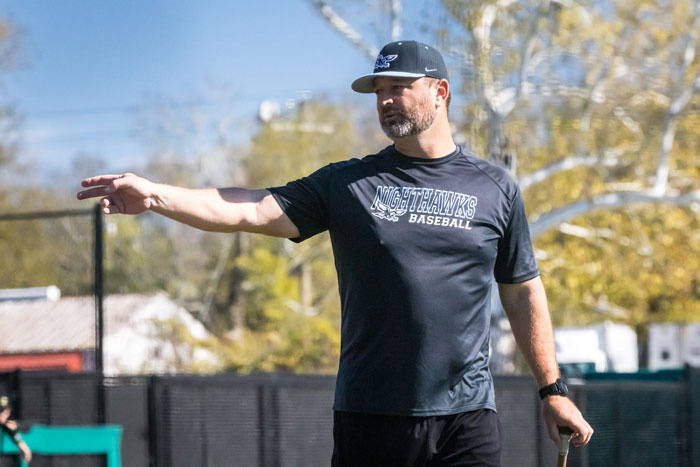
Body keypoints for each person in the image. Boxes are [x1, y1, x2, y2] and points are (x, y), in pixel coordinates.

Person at [78, 40, 593, 466]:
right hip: (372, 417)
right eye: (378, 90)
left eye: (398, 87)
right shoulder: (349, 184)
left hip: (467, 419)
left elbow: (523, 291)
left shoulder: (495, 188)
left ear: (440, 93)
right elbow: (252, 209)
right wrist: (157, 196)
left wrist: (553, 390)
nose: (385, 100)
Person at [0, 395, 32, 464]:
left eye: (3, 411)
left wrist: (21, 443)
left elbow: (15, 433)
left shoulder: (6, 425)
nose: (1, 414)